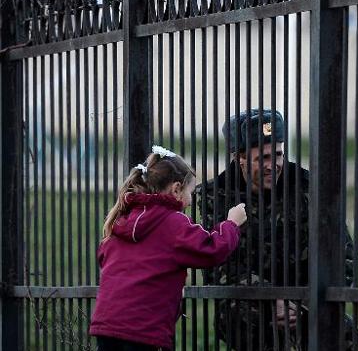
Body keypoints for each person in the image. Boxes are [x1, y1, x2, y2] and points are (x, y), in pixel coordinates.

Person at [199, 109, 358, 350]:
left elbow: (342, 255)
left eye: (277, 155)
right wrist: (272, 298)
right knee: (249, 318)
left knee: (349, 339)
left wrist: (302, 303)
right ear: (240, 158)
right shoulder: (215, 197)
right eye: (262, 158)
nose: (273, 165)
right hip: (249, 305)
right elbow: (218, 265)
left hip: (308, 300)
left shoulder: (309, 187)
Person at [90, 145, 248, 351]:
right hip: (144, 332)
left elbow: (104, 256)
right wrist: (231, 224)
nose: (190, 202)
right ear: (176, 189)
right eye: (190, 192)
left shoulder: (122, 220)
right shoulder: (172, 222)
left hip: (107, 327)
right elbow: (211, 249)